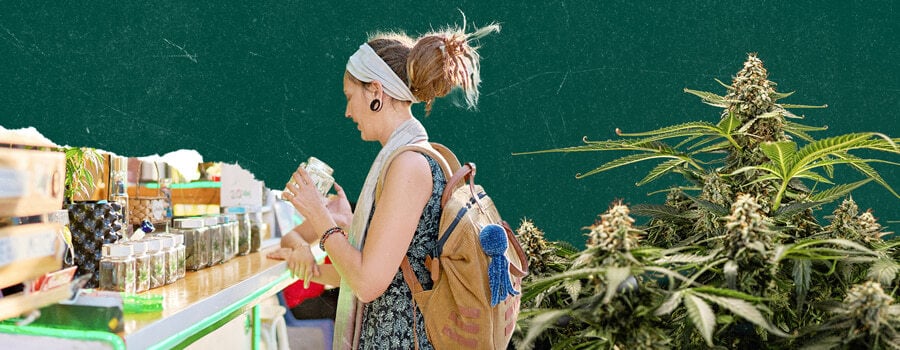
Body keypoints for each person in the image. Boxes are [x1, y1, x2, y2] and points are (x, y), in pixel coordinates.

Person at [279, 22, 500, 349]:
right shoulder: (407, 157)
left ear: (376, 93)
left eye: (350, 97)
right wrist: (339, 235)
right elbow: (369, 275)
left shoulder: (408, 165)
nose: (347, 112)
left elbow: (368, 284)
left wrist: (319, 217)